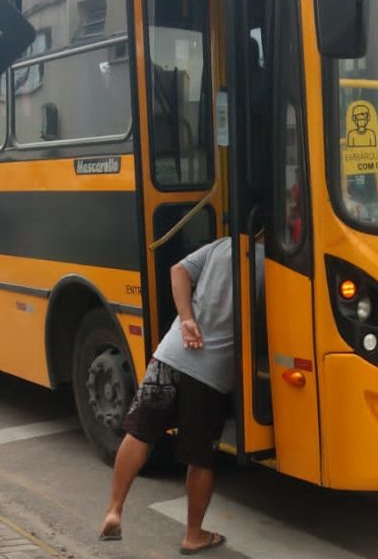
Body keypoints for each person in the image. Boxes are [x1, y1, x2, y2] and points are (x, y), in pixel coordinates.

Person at [99, 235, 236, 555]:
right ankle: (193, 534)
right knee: (199, 455)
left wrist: (187, 318)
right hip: (211, 374)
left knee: (140, 431)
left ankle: (114, 509)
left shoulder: (220, 246)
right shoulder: (272, 263)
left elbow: (178, 270)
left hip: (170, 355)